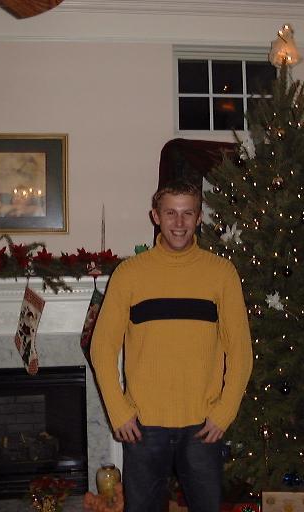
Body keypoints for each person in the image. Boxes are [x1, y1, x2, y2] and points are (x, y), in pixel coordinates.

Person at [91, 180, 253, 511]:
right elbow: (101, 348)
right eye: (170, 213)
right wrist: (119, 411)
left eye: (187, 213)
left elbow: (241, 352)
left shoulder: (221, 273)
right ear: (156, 216)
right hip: (143, 426)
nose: (179, 223)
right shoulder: (129, 274)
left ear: (199, 217)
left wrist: (223, 413)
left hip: (203, 426)